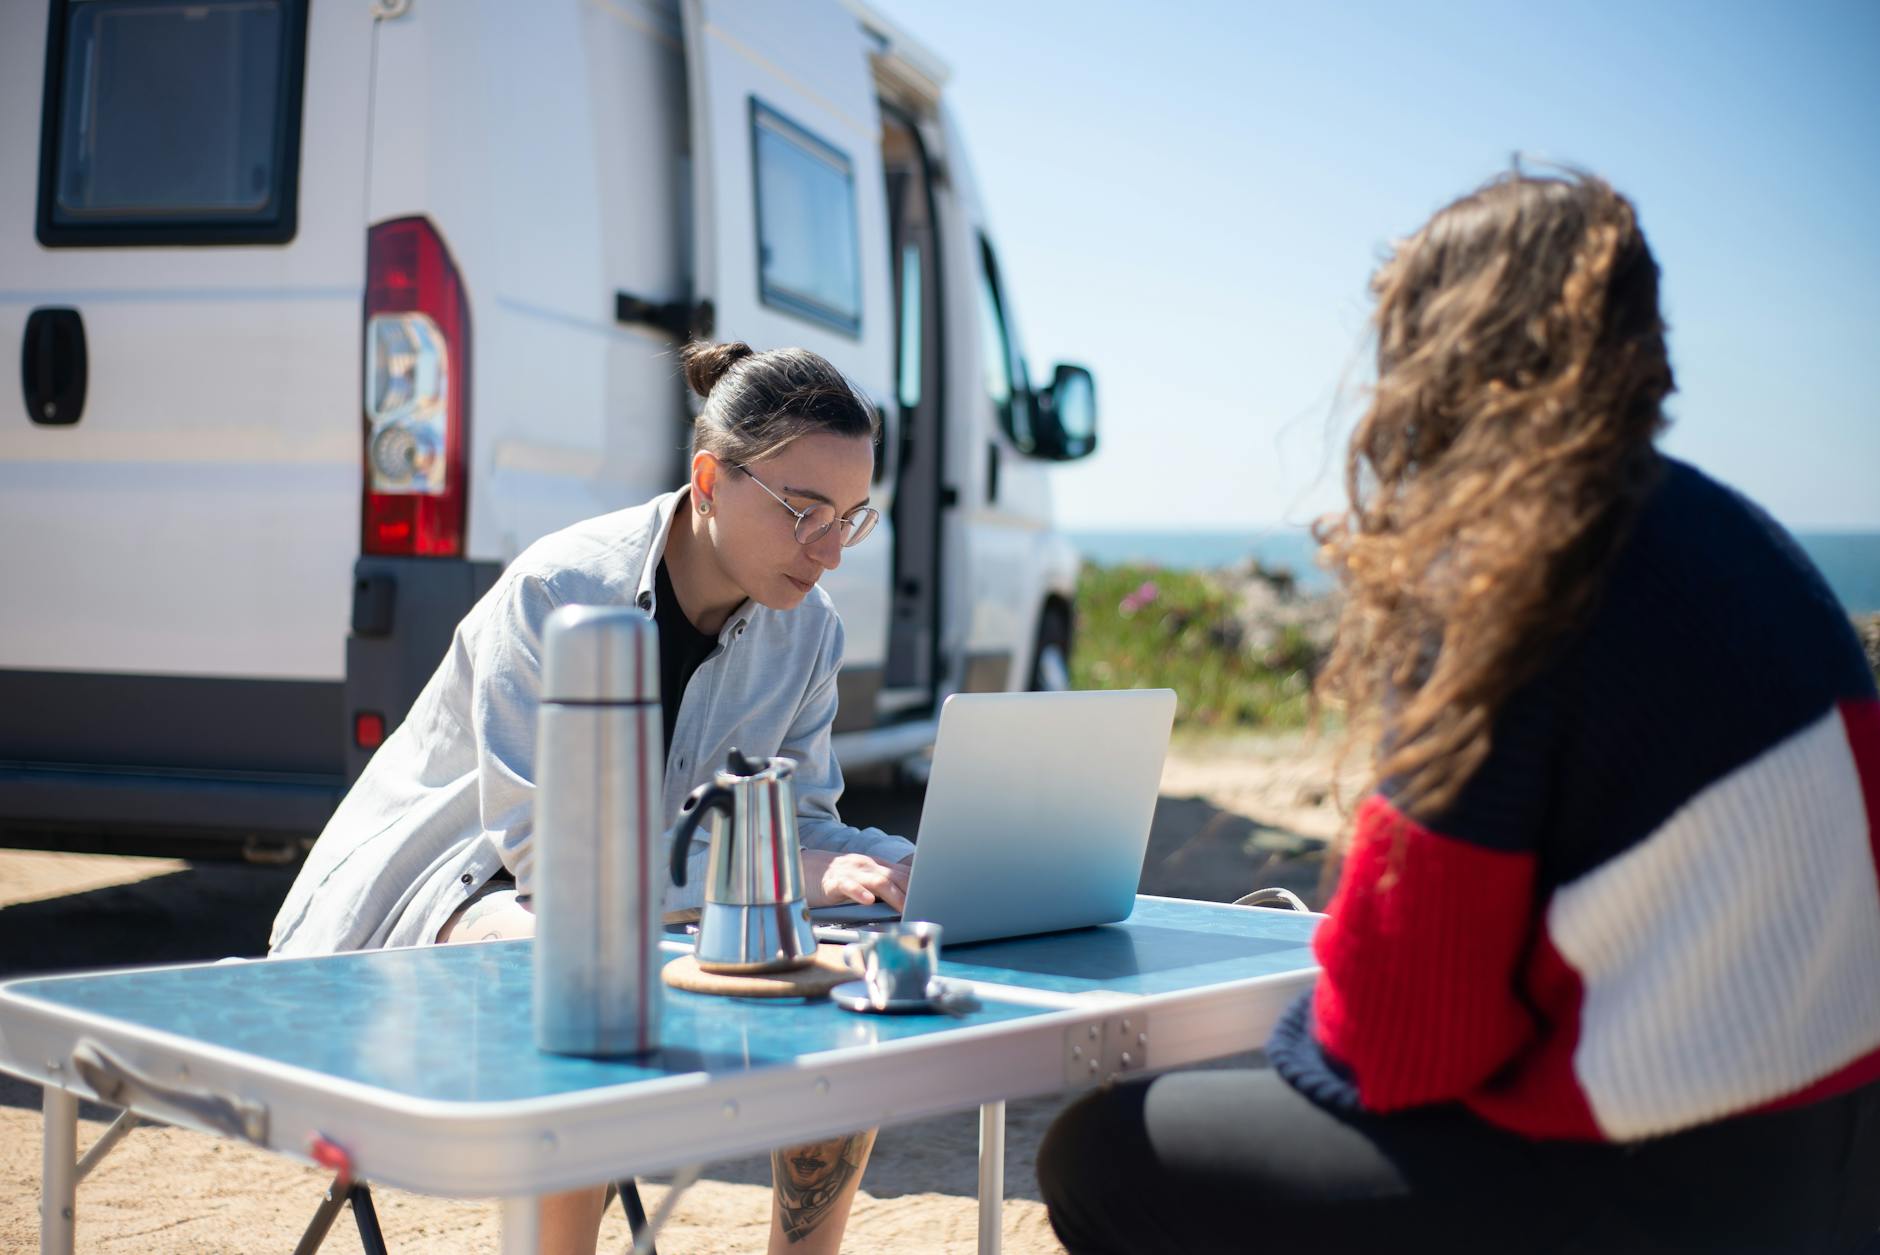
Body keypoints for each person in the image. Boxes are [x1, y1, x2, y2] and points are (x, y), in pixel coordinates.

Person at [1036, 171, 1880, 1254]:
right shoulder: (1744, 540)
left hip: (1658, 1184)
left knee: (1107, 1153)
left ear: (1431, 351)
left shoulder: (1508, 571)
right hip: (1838, 1165)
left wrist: (1322, 998)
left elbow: (1401, 1049)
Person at [271, 340, 914, 1255]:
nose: (828, 553)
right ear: (708, 480)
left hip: (637, 920)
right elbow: (553, 867)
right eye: (804, 511)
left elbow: (802, 823)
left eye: (850, 519)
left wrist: (893, 865)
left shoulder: (810, 632)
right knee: (582, 965)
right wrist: (784, 871)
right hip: (438, 905)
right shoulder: (558, 592)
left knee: (844, 969)